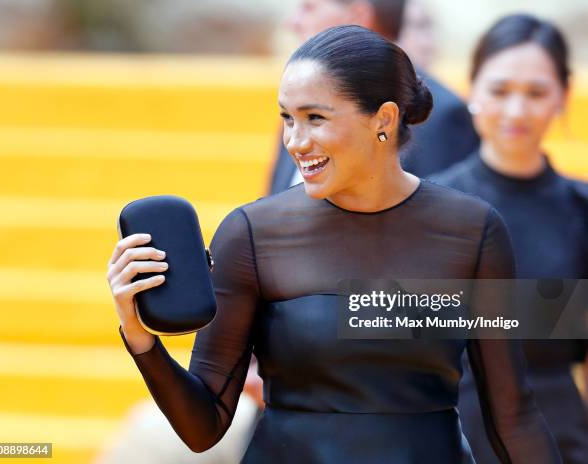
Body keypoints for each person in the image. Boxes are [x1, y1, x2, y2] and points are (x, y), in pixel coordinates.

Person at [107, 25, 561, 463]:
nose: (295, 142)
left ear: (383, 119)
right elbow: (203, 428)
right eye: (287, 117)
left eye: (315, 118)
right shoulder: (251, 233)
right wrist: (140, 338)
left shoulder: (473, 230)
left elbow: (512, 416)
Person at [431, 14, 588, 464]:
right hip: (447, 439)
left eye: (536, 93)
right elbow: (378, 315)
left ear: (563, 96)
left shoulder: (581, 207)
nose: (516, 111)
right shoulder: (426, 205)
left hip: (560, 440)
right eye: (500, 91)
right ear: (473, 89)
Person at [268, 0, 478, 194]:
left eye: (309, 7)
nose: (292, 23)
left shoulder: (442, 113)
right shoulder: (297, 99)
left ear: (357, 15)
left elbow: (437, 219)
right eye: (289, 117)